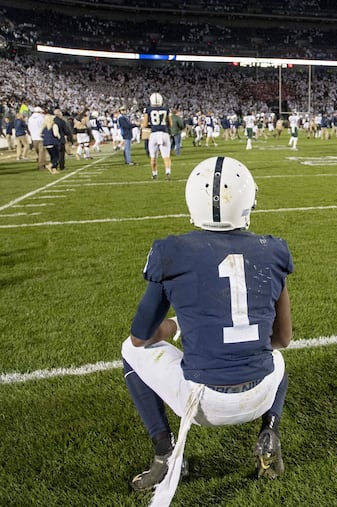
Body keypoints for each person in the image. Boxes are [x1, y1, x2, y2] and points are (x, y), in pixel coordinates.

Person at [121, 156, 293, 505]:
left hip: (202, 404)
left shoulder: (172, 252)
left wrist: (175, 324)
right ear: (248, 202)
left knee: (128, 350)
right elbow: (282, 339)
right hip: (261, 393)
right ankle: (270, 430)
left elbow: (141, 336)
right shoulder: (272, 250)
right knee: (276, 359)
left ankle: (165, 454)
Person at [141, 93, 172, 180]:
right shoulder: (166, 109)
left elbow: (145, 124)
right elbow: (170, 124)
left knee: (153, 157)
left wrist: (152, 125)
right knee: (166, 156)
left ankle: (154, 174)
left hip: (154, 134)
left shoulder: (148, 109)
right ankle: (168, 172)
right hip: (164, 133)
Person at [28, 106, 47, 170]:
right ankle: (41, 165)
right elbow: (45, 127)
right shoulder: (42, 118)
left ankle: (40, 162)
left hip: (34, 137)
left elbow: (29, 128)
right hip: (41, 137)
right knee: (42, 152)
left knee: (38, 152)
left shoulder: (30, 119)